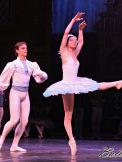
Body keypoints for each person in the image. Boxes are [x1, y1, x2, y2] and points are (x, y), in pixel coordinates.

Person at [43, 12, 122, 156]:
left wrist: (80, 30)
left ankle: (116, 83)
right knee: (68, 116)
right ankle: (72, 140)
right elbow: (66, 32)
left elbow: (82, 42)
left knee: (94, 86)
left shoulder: (74, 54)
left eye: (74, 40)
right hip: (66, 85)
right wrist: (73, 20)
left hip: (76, 82)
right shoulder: (64, 52)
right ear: (67, 43)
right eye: (72, 40)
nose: (75, 42)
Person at [0, 41, 48, 152]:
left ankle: (14, 145)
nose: (25, 50)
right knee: (14, 119)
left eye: (26, 48)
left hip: (25, 94)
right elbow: (3, 79)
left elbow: (40, 78)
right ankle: (1, 139)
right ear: (17, 50)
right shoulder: (13, 64)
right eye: (22, 48)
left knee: (24, 121)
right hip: (15, 93)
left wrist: (43, 75)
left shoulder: (32, 64)